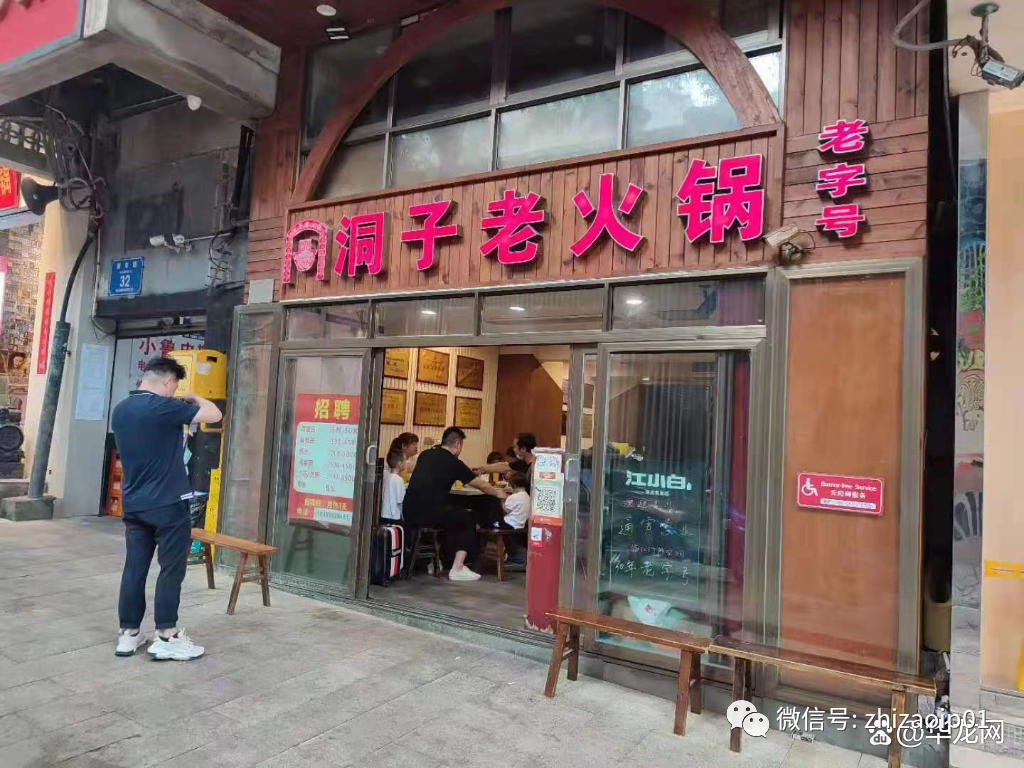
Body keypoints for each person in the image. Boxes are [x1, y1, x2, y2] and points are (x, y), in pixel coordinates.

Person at [111, 357, 222, 661]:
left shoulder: (122, 409)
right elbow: (214, 414)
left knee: (135, 568)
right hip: (168, 505)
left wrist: (177, 436)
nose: (174, 391)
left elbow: (150, 443)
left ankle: (128, 635)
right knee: (171, 569)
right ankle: (167, 635)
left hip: (134, 504)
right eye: (174, 386)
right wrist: (195, 398)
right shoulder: (164, 406)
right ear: (167, 381)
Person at [403, 426, 506, 582]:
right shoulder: (453, 462)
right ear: (458, 443)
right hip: (431, 514)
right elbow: (482, 485)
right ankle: (457, 568)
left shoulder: (425, 454)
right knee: (468, 518)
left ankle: (435, 562)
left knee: (452, 512)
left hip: (409, 511)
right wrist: (499, 493)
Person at [381, 449, 406, 522]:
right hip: (395, 516)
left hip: (384, 514)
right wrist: (403, 517)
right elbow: (400, 501)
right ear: (400, 464)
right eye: (405, 461)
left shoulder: (386, 478)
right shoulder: (399, 480)